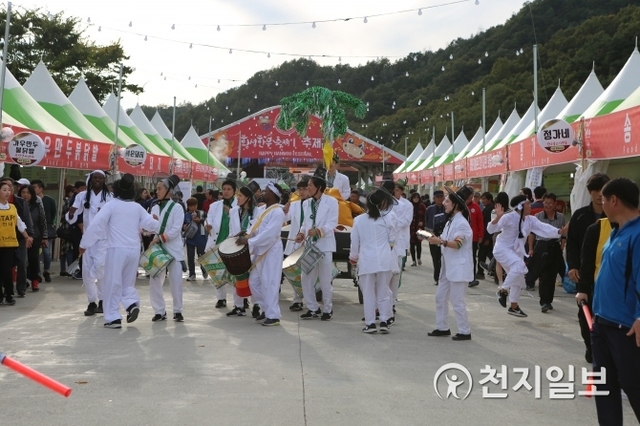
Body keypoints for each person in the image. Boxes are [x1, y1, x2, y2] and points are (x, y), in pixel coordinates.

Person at [588, 178, 640, 424]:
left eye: (603, 200)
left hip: (626, 328)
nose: (601, 205)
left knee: (634, 386)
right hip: (602, 323)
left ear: (614, 200)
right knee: (604, 388)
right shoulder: (615, 230)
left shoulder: (638, 234)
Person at [79, 174, 160, 329]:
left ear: (116, 190)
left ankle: (113, 317)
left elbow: (96, 225)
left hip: (116, 248)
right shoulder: (137, 207)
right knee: (127, 282)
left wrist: (84, 244)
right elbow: (151, 224)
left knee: (112, 282)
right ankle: (131, 304)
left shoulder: (111, 205)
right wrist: (157, 221)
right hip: (134, 249)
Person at [488, 194, 567, 318]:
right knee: (519, 266)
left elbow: (543, 228)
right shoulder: (508, 217)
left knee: (519, 278)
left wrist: (558, 232)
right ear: (520, 206)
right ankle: (503, 290)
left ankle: (513, 307)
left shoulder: (530, 220)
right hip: (502, 249)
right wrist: (497, 218)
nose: (531, 206)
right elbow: (490, 229)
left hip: (515, 252)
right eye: (528, 204)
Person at [566, 172, 609, 364]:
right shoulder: (580, 215)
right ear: (590, 192)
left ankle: (604, 350)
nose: (600, 194)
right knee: (585, 313)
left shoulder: (616, 216)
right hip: (585, 273)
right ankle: (591, 347)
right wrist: (573, 266)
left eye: (603, 190)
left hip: (608, 273)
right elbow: (573, 243)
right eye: (596, 190)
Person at [427, 187, 474, 341]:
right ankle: (442, 327)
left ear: (456, 205)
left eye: (447, 201)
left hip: (459, 268)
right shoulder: (451, 221)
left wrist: (440, 241)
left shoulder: (461, 223)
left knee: (457, 301)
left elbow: (458, 244)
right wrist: (433, 237)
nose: (444, 203)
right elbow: (445, 239)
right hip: (448, 267)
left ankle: (464, 331)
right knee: (440, 297)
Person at [236, 183, 286, 326]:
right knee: (254, 282)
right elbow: (256, 227)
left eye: (267, 191)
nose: (264, 192)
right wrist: (247, 234)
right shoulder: (264, 209)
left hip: (271, 250)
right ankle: (266, 309)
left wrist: (249, 241)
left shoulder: (277, 212)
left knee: (270, 282)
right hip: (260, 251)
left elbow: (269, 234)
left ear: (274, 195)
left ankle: (274, 315)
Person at [349, 188, 396, 334]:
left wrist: (353, 258)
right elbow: (392, 241)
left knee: (368, 293)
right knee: (383, 291)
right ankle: (384, 320)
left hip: (367, 260)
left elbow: (354, 243)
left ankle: (370, 323)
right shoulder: (387, 220)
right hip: (384, 259)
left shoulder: (358, 220)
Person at [66, 170, 112, 316]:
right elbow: (72, 215)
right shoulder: (81, 196)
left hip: (104, 238)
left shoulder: (110, 197)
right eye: (95, 178)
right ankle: (92, 303)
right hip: (87, 239)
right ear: (91, 180)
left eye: (101, 178)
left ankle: (103, 300)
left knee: (100, 267)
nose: (98, 180)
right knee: (87, 272)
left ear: (104, 180)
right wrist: (72, 213)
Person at [295, 167, 339, 321]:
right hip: (310, 246)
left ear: (319, 188)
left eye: (310, 186)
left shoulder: (332, 202)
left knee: (325, 279)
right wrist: (301, 233)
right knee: (306, 277)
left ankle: (327, 309)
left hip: (324, 245)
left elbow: (333, 222)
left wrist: (319, 231)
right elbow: (305, 223)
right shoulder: (306, 203)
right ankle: (312, 308)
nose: (307, 188)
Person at [149, 175, 186, 322]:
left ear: (169, 190)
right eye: (156, 188)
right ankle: (159, 311)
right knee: (155, 279)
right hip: (158, 249)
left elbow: (176, 230)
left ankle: (177, 310)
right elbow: (150, 227)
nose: (156, 191)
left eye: (160, 188)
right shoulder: (155, 207)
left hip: (173, 249)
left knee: (176, 282)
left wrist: (159, 236)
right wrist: (150, 228)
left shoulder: (177, 207)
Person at [205, 174, 238, 309]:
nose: (226, 191)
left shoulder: (238, 205)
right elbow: (208, 218)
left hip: (232, 244)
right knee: (217, 273)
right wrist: (207, 225)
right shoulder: (214, 206)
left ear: (234, 191)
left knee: (236, 273)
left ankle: (241, 299)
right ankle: (221, 298)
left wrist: (231, 212)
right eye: (224, 189)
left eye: (229, 189)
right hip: (217, 242)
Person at [528, 193, 566, 313]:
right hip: (542, 246)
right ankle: (544, 301)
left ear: (555, 204)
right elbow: (532, 234)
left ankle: (549, 301)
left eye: (550, 203)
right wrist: (531, 248)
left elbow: (563, 233)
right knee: (543, 275)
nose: (548, 206)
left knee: (552, 275)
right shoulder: (538, 216)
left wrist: (562, 245)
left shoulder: (560, 217)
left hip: (555, 246)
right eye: (546, 203)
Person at [226, 185, 259, 316]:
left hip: (252, 248)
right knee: (238, 277)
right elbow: (231, 231)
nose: (237, 198)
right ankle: (238, 306)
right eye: (237, 195)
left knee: (254, 280)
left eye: (240, 196)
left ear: (248, 198)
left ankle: (256, 305)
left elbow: (257, 230)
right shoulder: (234, 211)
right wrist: (232, 239)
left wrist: (247, 235)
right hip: (237, 248)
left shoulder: (257, 211)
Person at [0, 180, 33, 306]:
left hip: (9, 244)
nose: (7, 192)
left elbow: (20, 224)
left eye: (9, 190)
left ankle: (9, 294)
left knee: (7, 270)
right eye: (4, 190)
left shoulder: (13, 208)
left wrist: (27, 237)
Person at [283, 178, 309, 312]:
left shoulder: (313, 204)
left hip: (309, 242)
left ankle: (310, 301)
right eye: (300, 189)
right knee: (296, 273)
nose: (303, 192)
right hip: (295, 242)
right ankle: (297, 300)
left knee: (308, 273)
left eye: (305, 189)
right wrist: (284, 210)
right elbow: (285, 219)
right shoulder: (294, 205)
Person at [389, 178, 412, 317]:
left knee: (395, 274)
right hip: (386, 242)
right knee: (385, 274)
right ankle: (384, 302)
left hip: (400, 242)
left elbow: (405, 221)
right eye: (393, 189)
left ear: (402, 191)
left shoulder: (407, 205)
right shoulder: (387, 202)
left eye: (397, 190)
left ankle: (392, 302)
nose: (394, 192)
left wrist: (391, 223)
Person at [19, 185, 48, 292]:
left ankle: (35, 280)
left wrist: (44, 237)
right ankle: (24, 280)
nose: (25, 195)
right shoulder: (17, 204)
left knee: (33, 259)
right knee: (22, 260)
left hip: (35, 235)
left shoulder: (37, 204)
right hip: (20, 236)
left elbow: (43, 221)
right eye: (23, 192)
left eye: (28, 193)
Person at [31, 179, 56, 283]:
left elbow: (53, 213)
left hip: (47, 229)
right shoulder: (31, 201)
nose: (32, 189)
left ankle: (46, 271)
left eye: (34, 187)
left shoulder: (49, 200)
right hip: (35, 229)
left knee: (46, 252)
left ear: (41, 188)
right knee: (35, 253)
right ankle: (37, 273)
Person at [459, 186, 483, 287]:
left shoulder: (476, 207)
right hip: (460, 237)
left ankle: (471, 278)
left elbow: (480, 222)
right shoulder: (459, 206)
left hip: (473, 238)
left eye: (471, 196)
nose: (470, 198)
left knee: (472, 258)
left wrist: (481, 235)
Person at [425, 190, 447, 285]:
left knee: (445, 258)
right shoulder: (430, 209)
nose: (439, 199)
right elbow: (426, 223)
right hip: (433, 236)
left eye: (441, 197)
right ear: (434, 198)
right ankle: (437, 277)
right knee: (436, 258)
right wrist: (430, 235)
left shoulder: (447, 208)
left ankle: (444, 277)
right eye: (437, 197)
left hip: (445, 237)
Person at [183, 197, 208, 281]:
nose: (193, 208)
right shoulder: (186, 215)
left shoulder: (202, 213)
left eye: (194, 206)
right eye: (190, 206)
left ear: (197, 205)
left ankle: (204, 269)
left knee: (201, 256)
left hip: (200, 238)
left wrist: (200, 220)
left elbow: (207, 221)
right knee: (190, 257)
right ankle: (192, 274)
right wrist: (184, 227)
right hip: (190, 239)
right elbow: (183, 225)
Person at [59, 185, 76, 277]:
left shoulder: (65, 201)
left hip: (64, 228)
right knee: (69, 249)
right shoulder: (69, 202)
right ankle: (69, 269)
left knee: (64, 250)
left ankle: (63, 269)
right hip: (68, 228)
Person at [477, 192, 495, 280]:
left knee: (482, 255)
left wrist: (487, 238)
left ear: (489, 199)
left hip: (487, 237)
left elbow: (488, 224)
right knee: (489, 254)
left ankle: (480, 272)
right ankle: (493, 270)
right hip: (487, 236)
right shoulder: (487, 208)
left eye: (484, 199)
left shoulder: (490, 209)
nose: (482, 200)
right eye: (482, 199)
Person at [409, 192, 426, 267]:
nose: (416, 199)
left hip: (419, 227)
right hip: (411, 227)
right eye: (414, 197)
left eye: (417, 197)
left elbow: (426, 216)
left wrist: (423, 222)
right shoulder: (409, 206)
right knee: (412, 244)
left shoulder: (422, 206)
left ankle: (419, 258)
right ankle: (413, 260)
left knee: (419, 243)